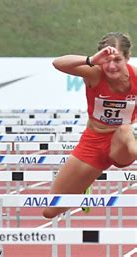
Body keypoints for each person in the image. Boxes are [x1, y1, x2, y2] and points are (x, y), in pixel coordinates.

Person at [43, 32, 137, 219]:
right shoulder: (94, 73)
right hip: (93, 143)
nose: (111, 66)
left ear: (127, 57)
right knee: (50, 210)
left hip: (121, 145)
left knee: (124, 129)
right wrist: (91, 60)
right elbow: (58, 63)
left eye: (117, 60)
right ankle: (83, 187)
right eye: (106, 60)